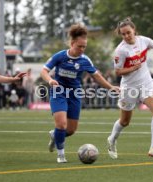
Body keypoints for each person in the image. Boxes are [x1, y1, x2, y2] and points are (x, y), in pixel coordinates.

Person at [40, 23, 119, 163]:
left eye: (84, 47)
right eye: (79, 46)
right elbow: (44, 71)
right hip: (58, 92)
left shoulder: (85, 60)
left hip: (75, 94)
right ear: (72, 43)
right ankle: (61, 155)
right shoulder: (60, 56)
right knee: (61, 124)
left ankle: (55, 136)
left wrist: (111, 87)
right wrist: (50, 80)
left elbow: (97, 76)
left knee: (70, 130)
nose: (82, 49)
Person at [107, 17, 153, 159]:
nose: (126, 36)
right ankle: (112, 139)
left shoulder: (144, 40)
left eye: (128, 32)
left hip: (146, 83)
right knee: (125, 122)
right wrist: (132, 68)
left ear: (134, 30)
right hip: (129, 87)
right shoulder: (121, 50)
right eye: (123, 34)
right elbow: (117, 72)